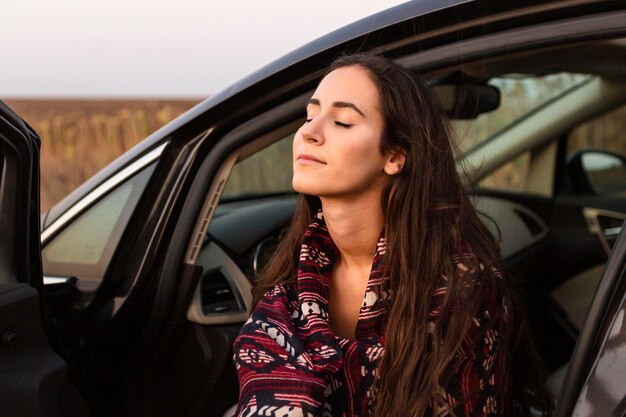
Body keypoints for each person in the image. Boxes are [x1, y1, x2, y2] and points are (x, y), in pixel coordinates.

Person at [231, 54, 553, 417]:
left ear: (395, 155)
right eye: (309, 115)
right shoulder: (287, 286)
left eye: (342, 121)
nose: (308, 132)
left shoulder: (461, 292)